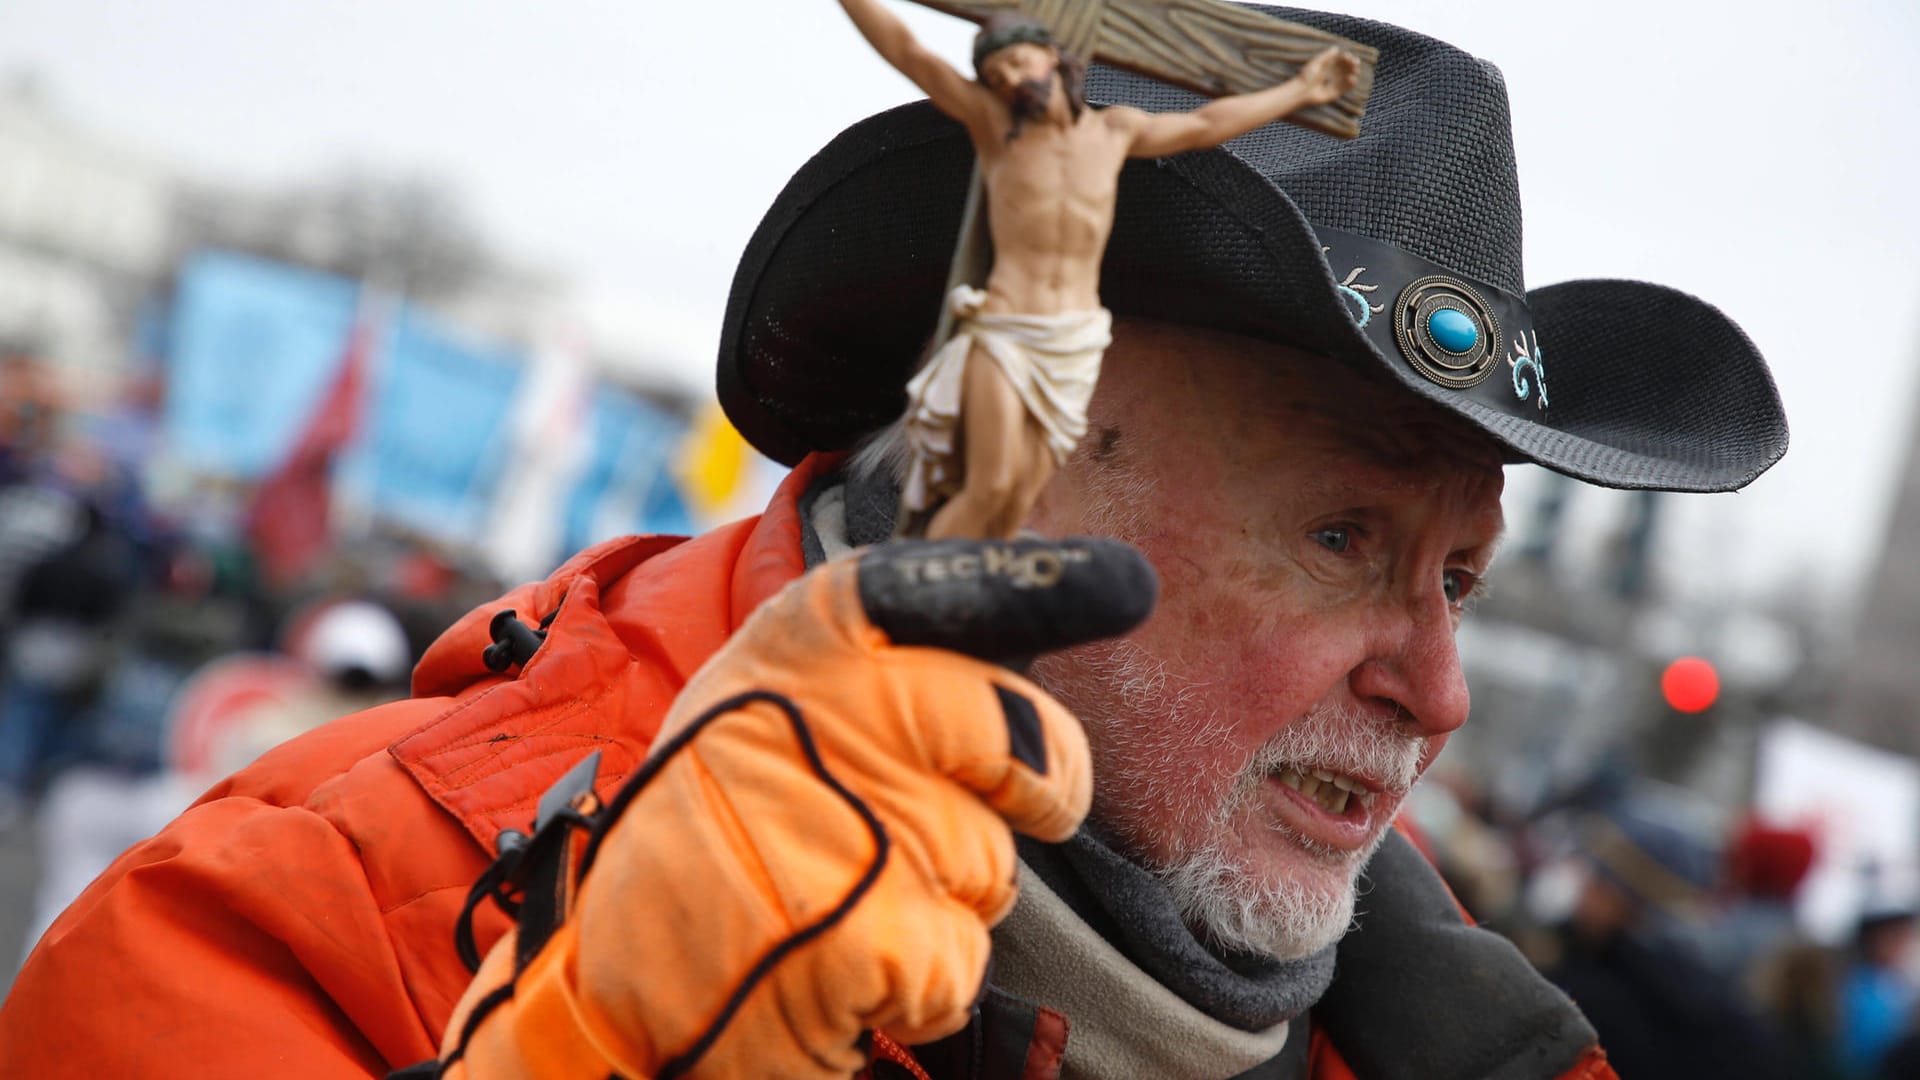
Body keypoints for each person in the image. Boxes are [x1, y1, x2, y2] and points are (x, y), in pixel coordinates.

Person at [0, 7, 1788, 1078]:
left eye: (1459, 578)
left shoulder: (1468, 1043)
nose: (1442, 691)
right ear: (1012, 467)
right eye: (1343, 536)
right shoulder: (327, 911)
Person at [837, 2, 1358, 540]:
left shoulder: (1112, 133)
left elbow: (1207, 123)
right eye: (998, 74)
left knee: (1022, 492)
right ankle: (927, 580)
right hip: (1006, 327)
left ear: (1054, 60)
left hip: (1074, 339)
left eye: (1020, 62)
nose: (1013, 79)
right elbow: (910, 52)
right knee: (987, 481)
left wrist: (1300, 91)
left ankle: (971, 585)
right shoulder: (999, 129)